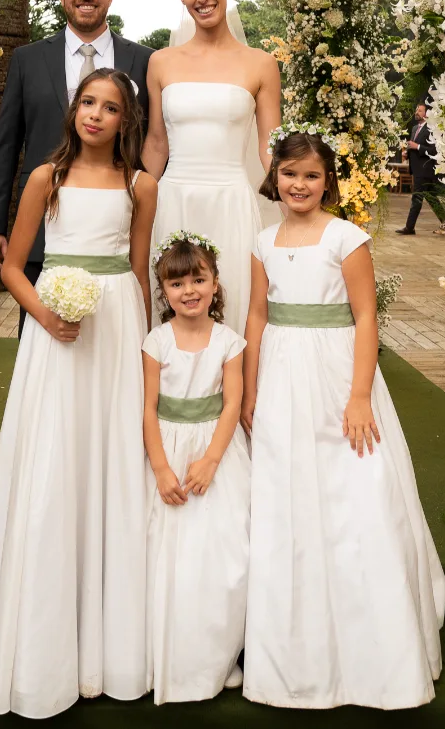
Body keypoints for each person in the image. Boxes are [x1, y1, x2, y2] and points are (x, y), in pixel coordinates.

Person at [0, 69, 158, 717]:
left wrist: (152, 350)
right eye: (87, 103)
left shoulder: (139, 186)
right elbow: (13, 264)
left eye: (110, 107)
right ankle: (41, 642)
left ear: (127, 119)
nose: (96, 114)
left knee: (115, 461)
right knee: (55, 463)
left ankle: (117, 646)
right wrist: (45, 316)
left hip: (120, 325)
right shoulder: (46, 177)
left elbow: (140, 266)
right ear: (74, 110)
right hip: (58, 328)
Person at [242, 127, 445, 710]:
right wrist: (252, 386)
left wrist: (359, 396)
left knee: (354, 487)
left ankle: (374, 646)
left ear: (327, 181)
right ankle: (291, 646)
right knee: (287, 491)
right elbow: (256, 315)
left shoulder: (348, 238)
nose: (299, 184)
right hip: (281, 371)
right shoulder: (263, 241)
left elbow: (365, 318)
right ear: (274, 177)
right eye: (289, 174)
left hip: (337, 374)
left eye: (311, 175)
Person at [0, 0, 153, 329]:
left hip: (114, 230)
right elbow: (5, 145)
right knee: (43, 339)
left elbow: (154, 141)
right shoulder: (27, 59)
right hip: (44, 228)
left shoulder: (144, 60)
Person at [142, 0, 281, 334]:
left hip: (231, 202)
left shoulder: (261, 63)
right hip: (173, 201)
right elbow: (156, 143)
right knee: (173, 304)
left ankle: (234, 392)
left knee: (234, 300)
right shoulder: (161, 62)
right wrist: (132, 201)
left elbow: (270, 146)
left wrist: (296, 204)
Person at [143, 231, 250, 705]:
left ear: (215, 283)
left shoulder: (229, 341)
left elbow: (232, 405)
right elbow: (148, 410)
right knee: (169, 555)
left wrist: (209, 460)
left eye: (198, 280)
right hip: (167, 449)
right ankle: (174, 655)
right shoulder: (155, 341)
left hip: (216, 453)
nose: (189, 291)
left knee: (225, 553)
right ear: (164, 291)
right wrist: (162, 469)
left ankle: (221, 654)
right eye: (177, 283)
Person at [396, 102, 445, 236]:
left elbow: (433, 150)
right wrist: (407, 153)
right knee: (431, 198)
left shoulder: (431, 129)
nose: (417, 112)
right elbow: (412, 146)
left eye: (420, 111)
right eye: (416, 110)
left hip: (425, 169)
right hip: (417, 168)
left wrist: (417, 146)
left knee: (416, 198)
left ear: (427, 114)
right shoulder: (414, 129)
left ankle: (409, 227)